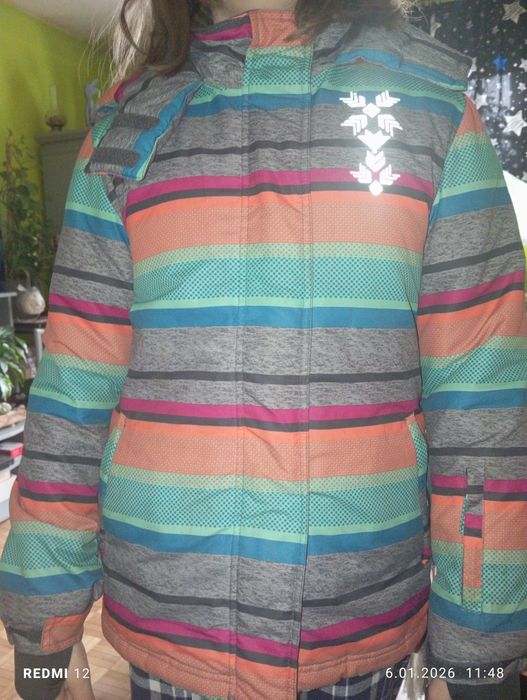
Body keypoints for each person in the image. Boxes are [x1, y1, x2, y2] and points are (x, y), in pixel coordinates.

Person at [1, 0, 526, 698]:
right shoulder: (126, 133)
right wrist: (42, 640)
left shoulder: (430, 112)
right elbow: (72, 398)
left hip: (358, 630)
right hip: (171, 631)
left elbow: (483, 407)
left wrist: (477, 660)